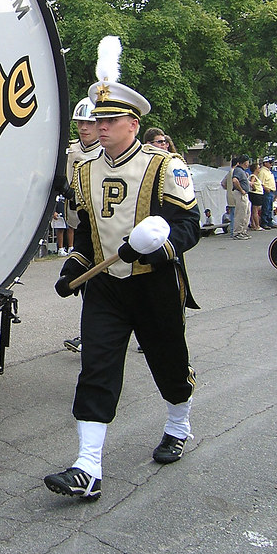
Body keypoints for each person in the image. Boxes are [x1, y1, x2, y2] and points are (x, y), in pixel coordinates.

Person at [46, 37, 200, 502]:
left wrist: (157, 250)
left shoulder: (163, 165)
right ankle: (87, 466)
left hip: (153, 285)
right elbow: (90, 228)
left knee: (168, 362)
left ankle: (179, 425)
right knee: (96, 368)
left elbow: (190, 225)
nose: (101, 126)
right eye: (98, 119)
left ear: (133, 123)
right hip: (107, 289)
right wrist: (74, 265)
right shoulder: (85, 168)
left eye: (111, 120)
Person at [62, 98, 101, 354]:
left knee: (97, 285)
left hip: (101, 227)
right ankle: (91, 335)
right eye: (80, 123)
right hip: (78, 224)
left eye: (89, 122)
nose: (83, 128)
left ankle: (94, 336)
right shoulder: (70, 150)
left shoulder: (105, 153)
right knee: (85, 284)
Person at [230, 156, 252, 240]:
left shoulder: (242, 171)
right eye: (248, 162)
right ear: (245, 162)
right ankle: (237, 232)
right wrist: (241, 189)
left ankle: (243, 231)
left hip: (244, 194)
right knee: (240, 213)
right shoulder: (238, 170)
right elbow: (235, 180)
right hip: (240, 194)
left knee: (246, 213)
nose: (248, 164)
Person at [256, 157, 277, 230]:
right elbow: (260, 182)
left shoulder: (269, 171)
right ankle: (264, 222)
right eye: (269, 162)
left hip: (271, 191)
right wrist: (265, 188)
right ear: (265, 163)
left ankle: (269, 221)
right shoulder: (262, 171)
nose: (271, 164)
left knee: (270, 208)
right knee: (266, 207)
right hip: (266, 192)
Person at [247, 166, 264, 230]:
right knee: (255, 210)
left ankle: (253, 224)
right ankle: (257, 225)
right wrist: (254, 187)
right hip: (256, 194)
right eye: (258, 168)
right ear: (255, 169)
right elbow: (251, 183)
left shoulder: (255, 176)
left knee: (254, 210)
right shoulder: (253, 176)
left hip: (257, 194)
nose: (259, 169)